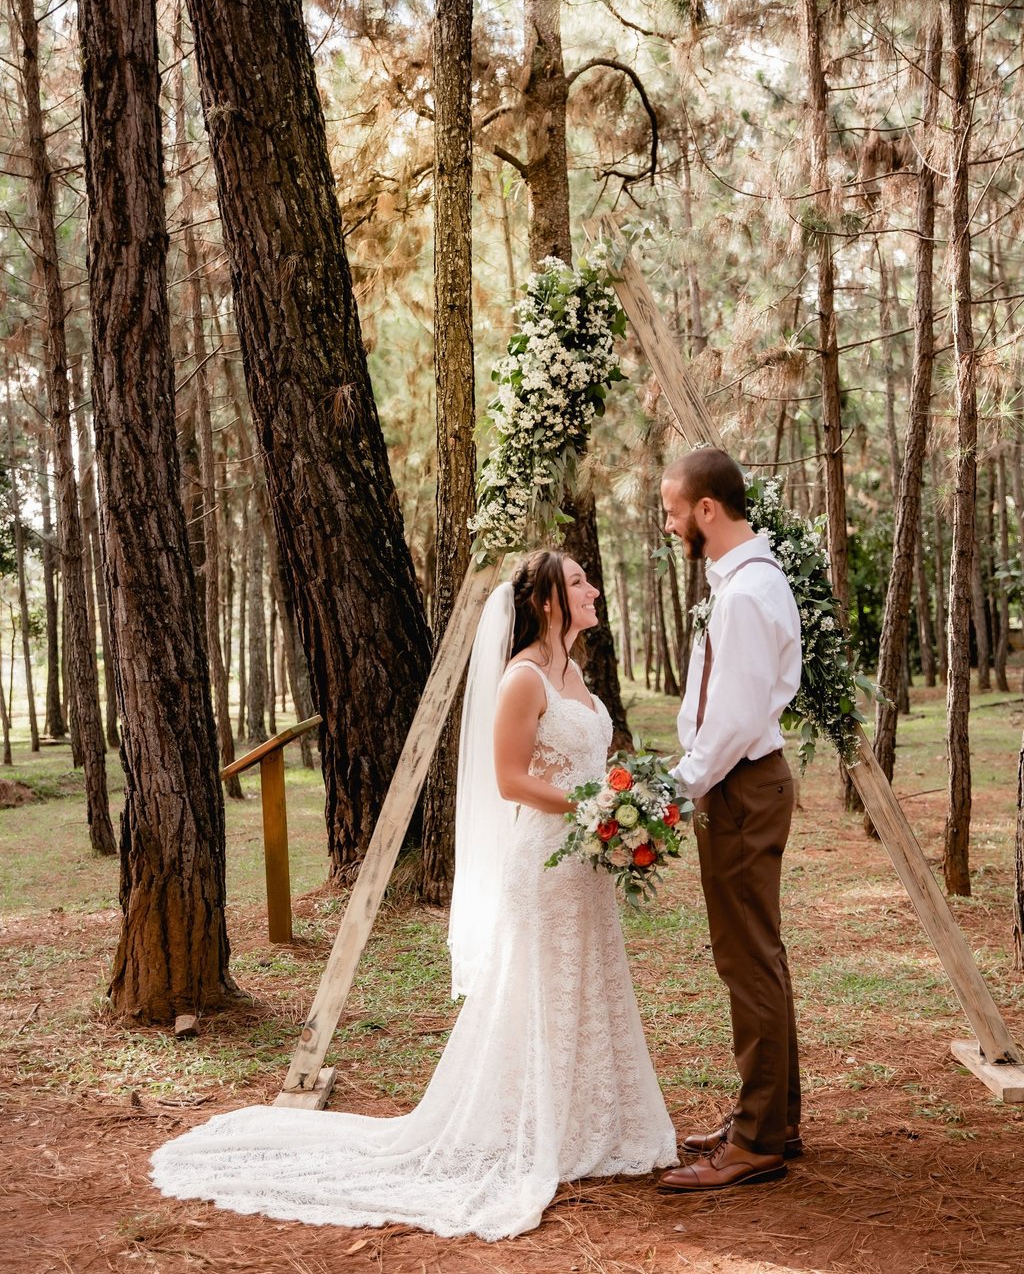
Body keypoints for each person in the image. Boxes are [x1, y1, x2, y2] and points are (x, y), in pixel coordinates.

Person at [150, 550, 676, 1240]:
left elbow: (586, 762)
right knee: (539, 991)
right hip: (547, 861)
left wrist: (616, 805)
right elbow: (511, 779)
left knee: (590, 984)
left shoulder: (575, 672)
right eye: (578, 581)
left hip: (588, 864)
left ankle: (588, 1122)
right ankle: (533, 1128)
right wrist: (595, 806)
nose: (593, 589)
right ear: (548, 600)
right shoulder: (522, 677)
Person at [658, 447, 803, 1193]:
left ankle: (756, 1142)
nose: (668, 523)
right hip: (743, 785)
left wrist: (676, 790)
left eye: (672, 510)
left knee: (747, 961)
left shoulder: (746, 594)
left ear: (706, 510)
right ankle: (773, 1117)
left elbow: (735, 719)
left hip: (741, 788)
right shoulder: (747, 581)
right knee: (759, 955)